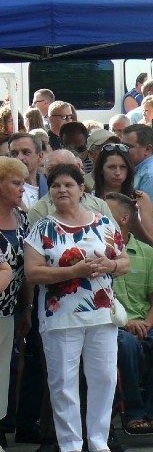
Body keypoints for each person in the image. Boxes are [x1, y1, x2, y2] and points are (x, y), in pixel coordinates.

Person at [24, 164, 129, 452]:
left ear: (81, 189)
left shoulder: (103, 223)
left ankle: (98, 442)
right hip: (60, 317)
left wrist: (111, 265)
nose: (61, 190)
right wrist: (75, 272)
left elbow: (125, 262)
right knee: (63, 383)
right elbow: (32, 273)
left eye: (68, 185)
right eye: (56, 186)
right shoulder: (42, 228)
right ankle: (70, 444)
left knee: (104, 379)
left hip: (101, 313)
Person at [106, 192, 153, 434]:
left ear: (124, 218)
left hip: (147, 322)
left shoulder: (147, 253)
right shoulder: (99, 253)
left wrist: (146, 325)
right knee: (127, 345)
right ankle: (134, 412)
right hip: (115, 325)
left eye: (107, 215)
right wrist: (128, 324)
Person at [0, 157, 30, 448]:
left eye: (23, 182)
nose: (22, 189)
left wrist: (28, 308)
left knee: (3, 371)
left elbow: (29, 266)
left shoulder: (22, 218)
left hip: (10, 309)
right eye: (15, 183)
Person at [93, 143, 153, 246]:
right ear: (101, 170)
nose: (117, 172)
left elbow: (150, 243)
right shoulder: (91, 198)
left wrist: (134, 220)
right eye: (112, 167)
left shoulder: (140, 198)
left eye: (123, 167)